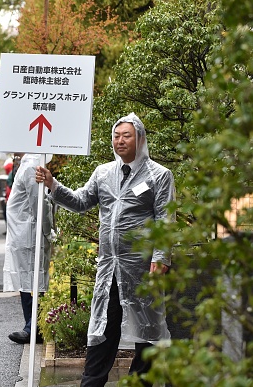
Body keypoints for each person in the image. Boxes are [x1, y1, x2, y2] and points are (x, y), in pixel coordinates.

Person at [35, 113, 175, 386]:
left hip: (142, 270)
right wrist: (53, 184)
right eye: (116, 135)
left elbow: (165, 220)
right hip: (110, 269)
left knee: (147, 330)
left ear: (141, 139)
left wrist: (160, 257)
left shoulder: (159, 175)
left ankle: (141, 381)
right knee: (103, 329)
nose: (120, 141)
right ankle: (91, 382)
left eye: (126, 136)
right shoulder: (103, 173)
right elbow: (79, 201)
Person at [4, 153, 54, 345]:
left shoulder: (30, 165)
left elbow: (38, 204)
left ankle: (34, 326)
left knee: (30, 279)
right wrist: (49, 230)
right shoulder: (32, 166)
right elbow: (39, 205)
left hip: (26, 231)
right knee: (30, 279)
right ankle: (32, 326)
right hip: (28, 232)